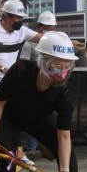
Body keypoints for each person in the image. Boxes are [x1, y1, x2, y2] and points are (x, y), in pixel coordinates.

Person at [0, 31, 80, 172]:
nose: (61, 72)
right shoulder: (20, 70)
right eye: (56, 66)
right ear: (43, 61)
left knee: (68, 152)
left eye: (66, 66)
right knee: (7, 164)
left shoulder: (63, 92)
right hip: (9, 118)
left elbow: (64, 135)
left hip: (38, 119)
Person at [0, 0, 42, 170]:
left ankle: (16, 155)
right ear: (6, 16)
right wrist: (3, 69)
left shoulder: (22, 31)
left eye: (21, 18)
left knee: (16, 117)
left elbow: (43, 38)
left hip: (10, 84)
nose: (20, 21)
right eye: (16, 18)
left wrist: (67, 43)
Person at [19, 10, 57, 160]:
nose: (50, 29)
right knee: (32, 117)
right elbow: (22, 64)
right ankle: (31, 150)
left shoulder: (55, 44)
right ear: (39, 26)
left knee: (50, 116)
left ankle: (49, 146)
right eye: (47, 26)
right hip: (32, 87)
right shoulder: (29, 44)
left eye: (52, 27)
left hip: (50, 86)